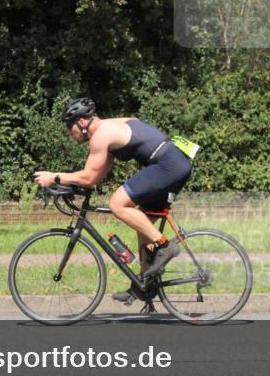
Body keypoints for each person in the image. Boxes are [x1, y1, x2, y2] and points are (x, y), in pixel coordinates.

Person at [34, 97, 192, 303]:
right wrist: (69, 182)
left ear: (82, 122)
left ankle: (165, 246)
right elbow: (94, 178)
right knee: (142, 224)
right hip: (175, 162)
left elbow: (88, 177)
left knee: (117, 203)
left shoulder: (100, 136)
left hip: (167, 165)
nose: (68, 132)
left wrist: (54, 176)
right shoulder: (111, 126)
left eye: (69, 125)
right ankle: (144, 284)